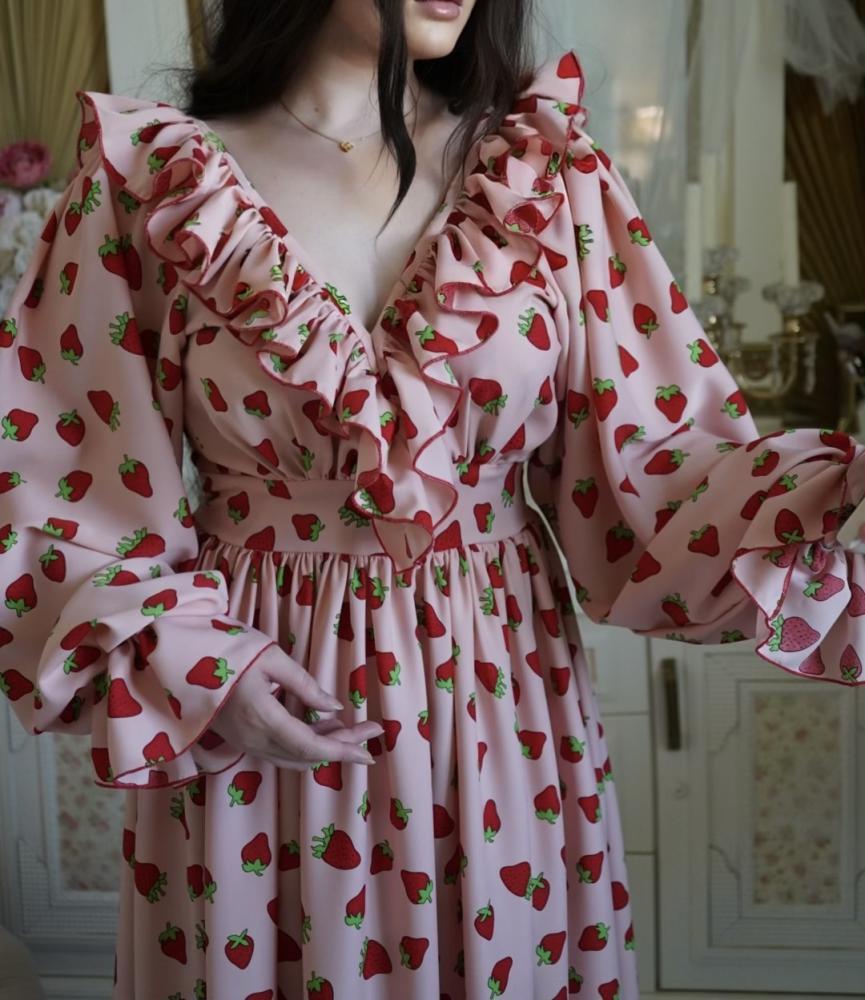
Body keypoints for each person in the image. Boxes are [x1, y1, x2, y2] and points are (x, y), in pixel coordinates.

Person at [2, 1, 864, 997]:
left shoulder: (546, 176)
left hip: (502, 704)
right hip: (260, 703)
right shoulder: (150, 184)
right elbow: (61, 482)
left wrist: (835, 495)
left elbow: (659, 471)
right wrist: (200, 670)